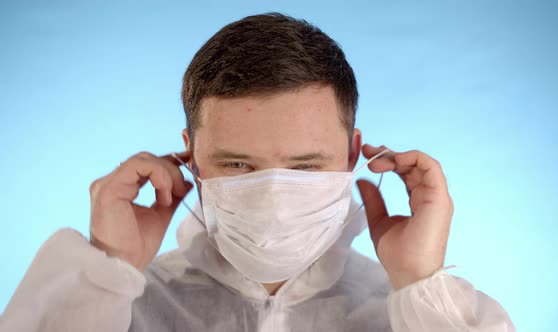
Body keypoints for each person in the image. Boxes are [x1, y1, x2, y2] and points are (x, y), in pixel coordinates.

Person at [0, 13, 515, 331]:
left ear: (354, 155)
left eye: (304, 167)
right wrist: (108, 265)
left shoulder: (414, 317)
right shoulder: (111, 308)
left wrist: (421, 283)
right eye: (238, 164)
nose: (272, 198)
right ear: (191, 157)